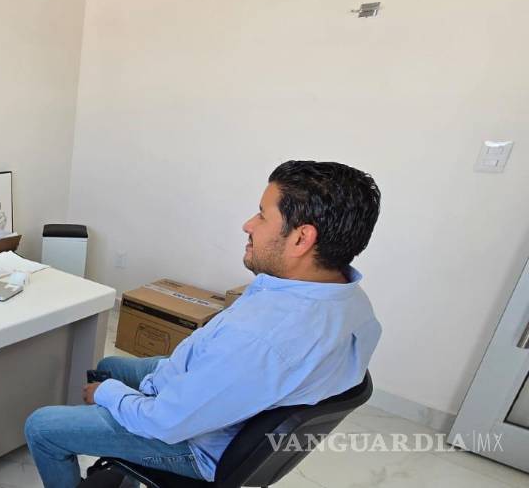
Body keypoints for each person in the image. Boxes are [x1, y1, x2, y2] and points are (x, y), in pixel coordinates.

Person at [24, 160, 382, 487]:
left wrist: (106, 394)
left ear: (302, 238)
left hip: (192, 445)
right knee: (110, 366)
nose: (248, 225)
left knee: (42, 427)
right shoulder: (351, 301)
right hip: (212, 397)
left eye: (262, 216)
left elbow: (165, 422)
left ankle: (117, 449)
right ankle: (122, 469)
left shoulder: (261, 341)